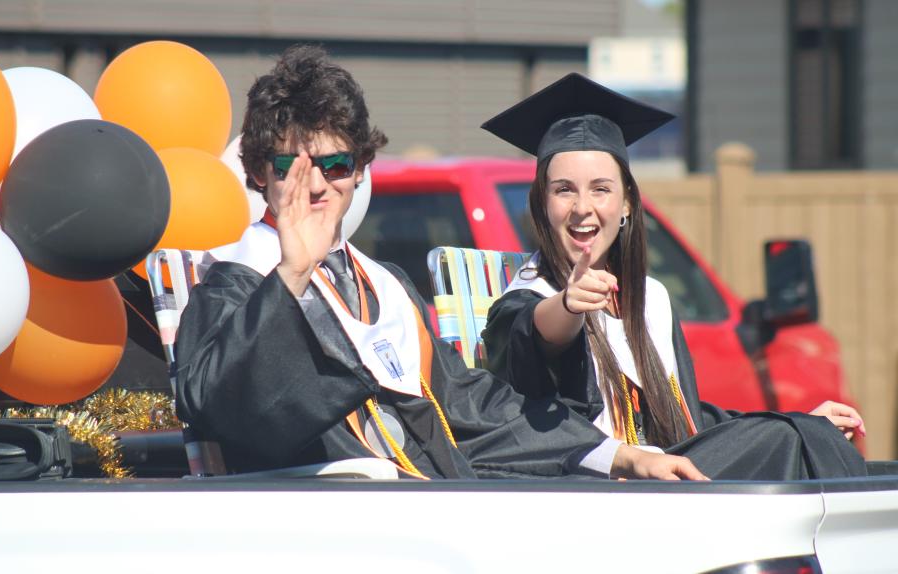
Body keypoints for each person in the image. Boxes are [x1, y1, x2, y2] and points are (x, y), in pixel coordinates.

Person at [174, 45, 636, 479]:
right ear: (258, 172)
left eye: (334, 164)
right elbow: (217, 404)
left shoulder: (385, 284)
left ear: (359, 170)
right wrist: (291, 275)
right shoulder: (238, 282)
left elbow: (471, 407)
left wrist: (608, 454)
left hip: (434, 501)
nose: (315, 185)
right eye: (289, 167)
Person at [480, 72, 867, 480]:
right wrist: (568, 304)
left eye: (600, 189)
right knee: (787, 443)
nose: (582, 207)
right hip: (592, 489)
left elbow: (689, 420)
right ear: (542, 204)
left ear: (627, 203)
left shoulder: (651, 299)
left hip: (666, 482)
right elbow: (530, 332)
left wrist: (800, 424)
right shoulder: (529, 296)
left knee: (793, 439)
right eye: (563, 190)